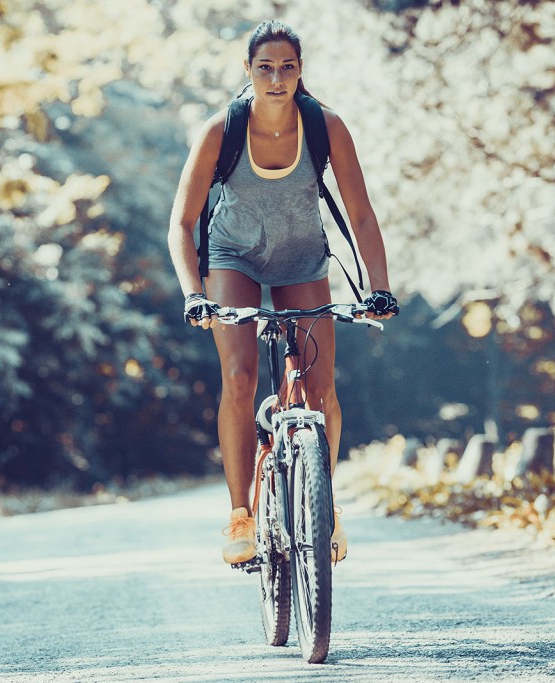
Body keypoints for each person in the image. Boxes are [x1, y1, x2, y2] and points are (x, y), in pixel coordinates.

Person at [168, 20, 398, 566]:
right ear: (247, 71)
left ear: (301, 71)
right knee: (240, 376)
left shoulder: (326, 127)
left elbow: (362, 215)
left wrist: (380, 287)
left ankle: (325, 506)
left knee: (320, 391)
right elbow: (182, 223)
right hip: (233, 258)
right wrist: (192, 293)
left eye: (287, 68)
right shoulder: (221, 130)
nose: (277, 79)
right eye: (265, 68)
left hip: (302, 260)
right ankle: (240, 516)